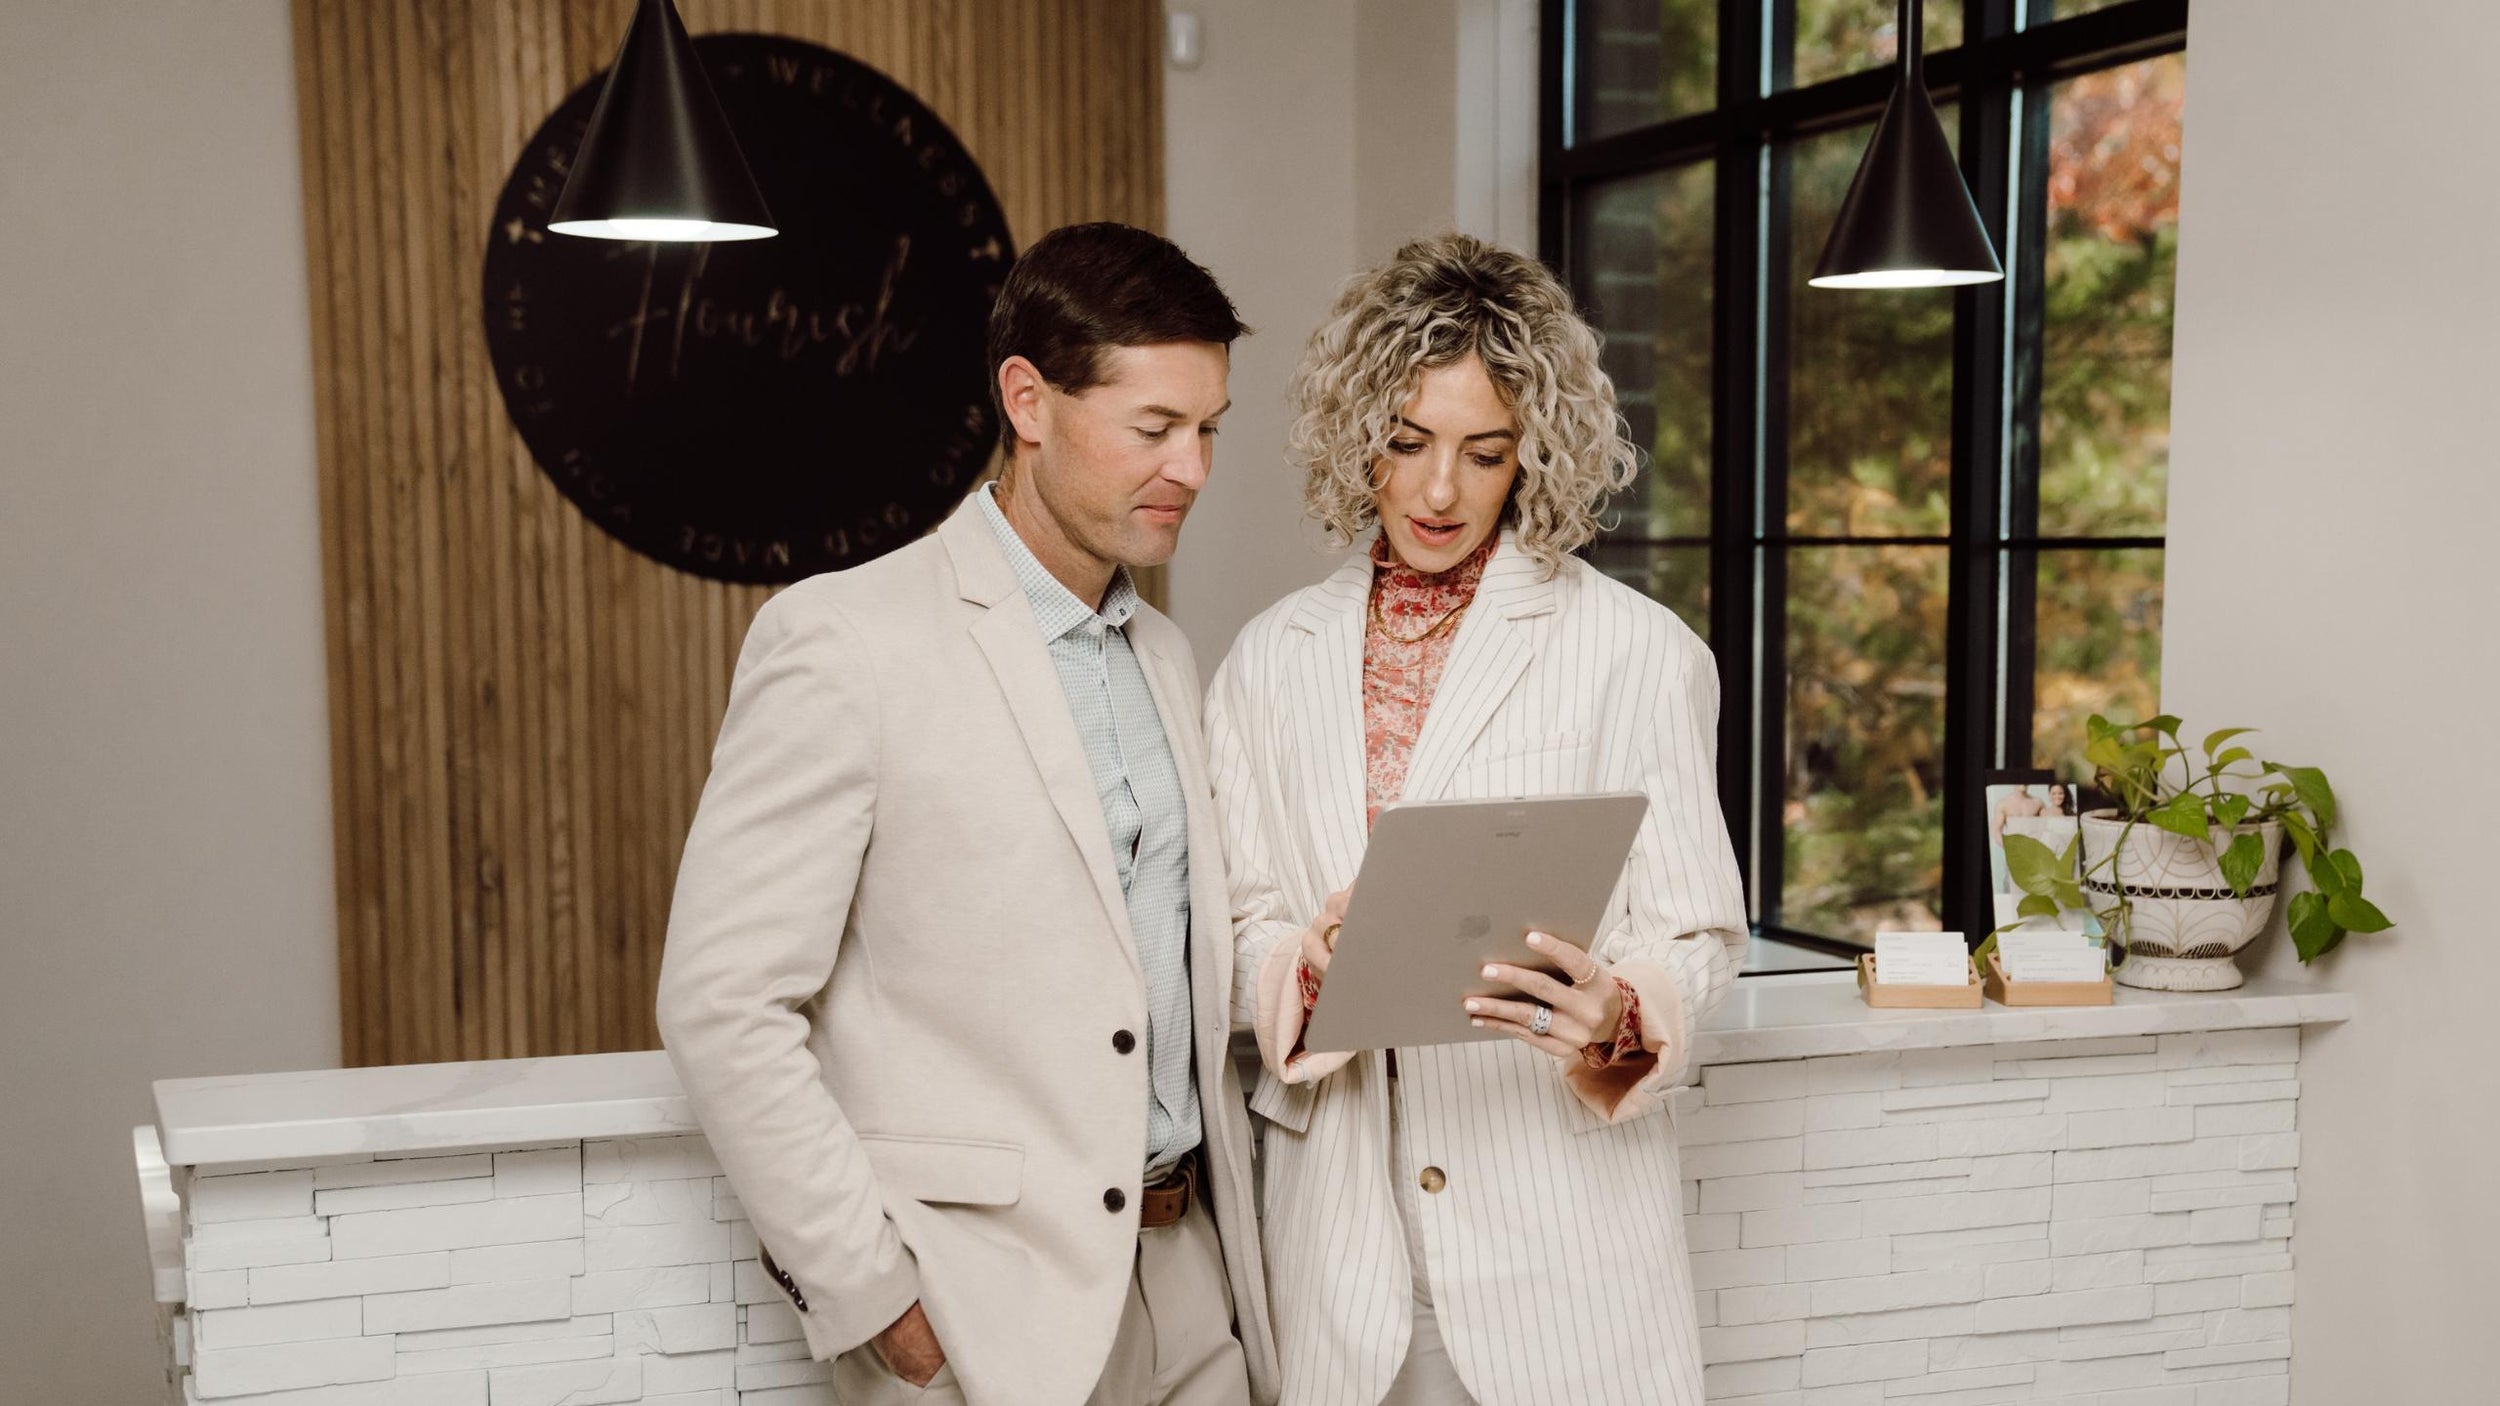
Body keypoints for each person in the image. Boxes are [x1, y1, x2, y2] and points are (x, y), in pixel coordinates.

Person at [656, 222, 1277, 1406]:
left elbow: (1146, 951)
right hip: (980, 1315)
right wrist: (874, 1297)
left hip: (1191, 1281)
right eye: (1154, 428)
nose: (1191, 467)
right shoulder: (844, 639)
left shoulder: (1169, 654)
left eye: (1208, 429)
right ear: (1028, 401)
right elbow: (723, 1000)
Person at [1207, 233, 1748, 1406]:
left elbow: (1696, 933)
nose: (1438, 489)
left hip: (1556, 1253)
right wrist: (1301, 966)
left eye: (1482, 452)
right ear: (1360, 438)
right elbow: (1242, 914)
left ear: (1533, 455)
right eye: (1405, 443)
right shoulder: (1264, 661)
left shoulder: (1635, 653)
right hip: (1342, 1266)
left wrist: (1620, 1008)